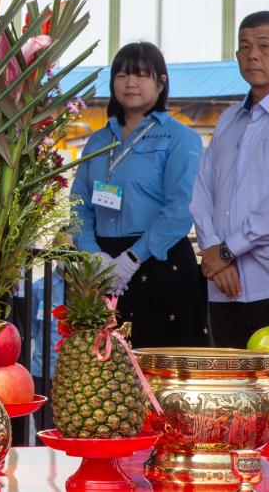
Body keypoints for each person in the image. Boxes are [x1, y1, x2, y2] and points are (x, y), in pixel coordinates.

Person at [191, 11, 269, 348]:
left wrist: (229, 250)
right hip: (223, 287)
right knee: (233, 394)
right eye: (244, 48)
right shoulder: (230, 118)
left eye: (264, 46)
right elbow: (202, 192)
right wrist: (215, 252)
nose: (253, 55)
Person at [71, 42, 206, 349]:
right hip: (102, 267)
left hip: (159, 261)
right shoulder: (98, 140)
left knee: (158, 367)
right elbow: (78, 204)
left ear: (161, 82)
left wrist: (133, 258)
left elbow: (180, 209)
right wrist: (93, 255)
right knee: (102, 374)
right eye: (121, 74)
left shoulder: (180, 137)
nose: (130, 83)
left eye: (141, 75)